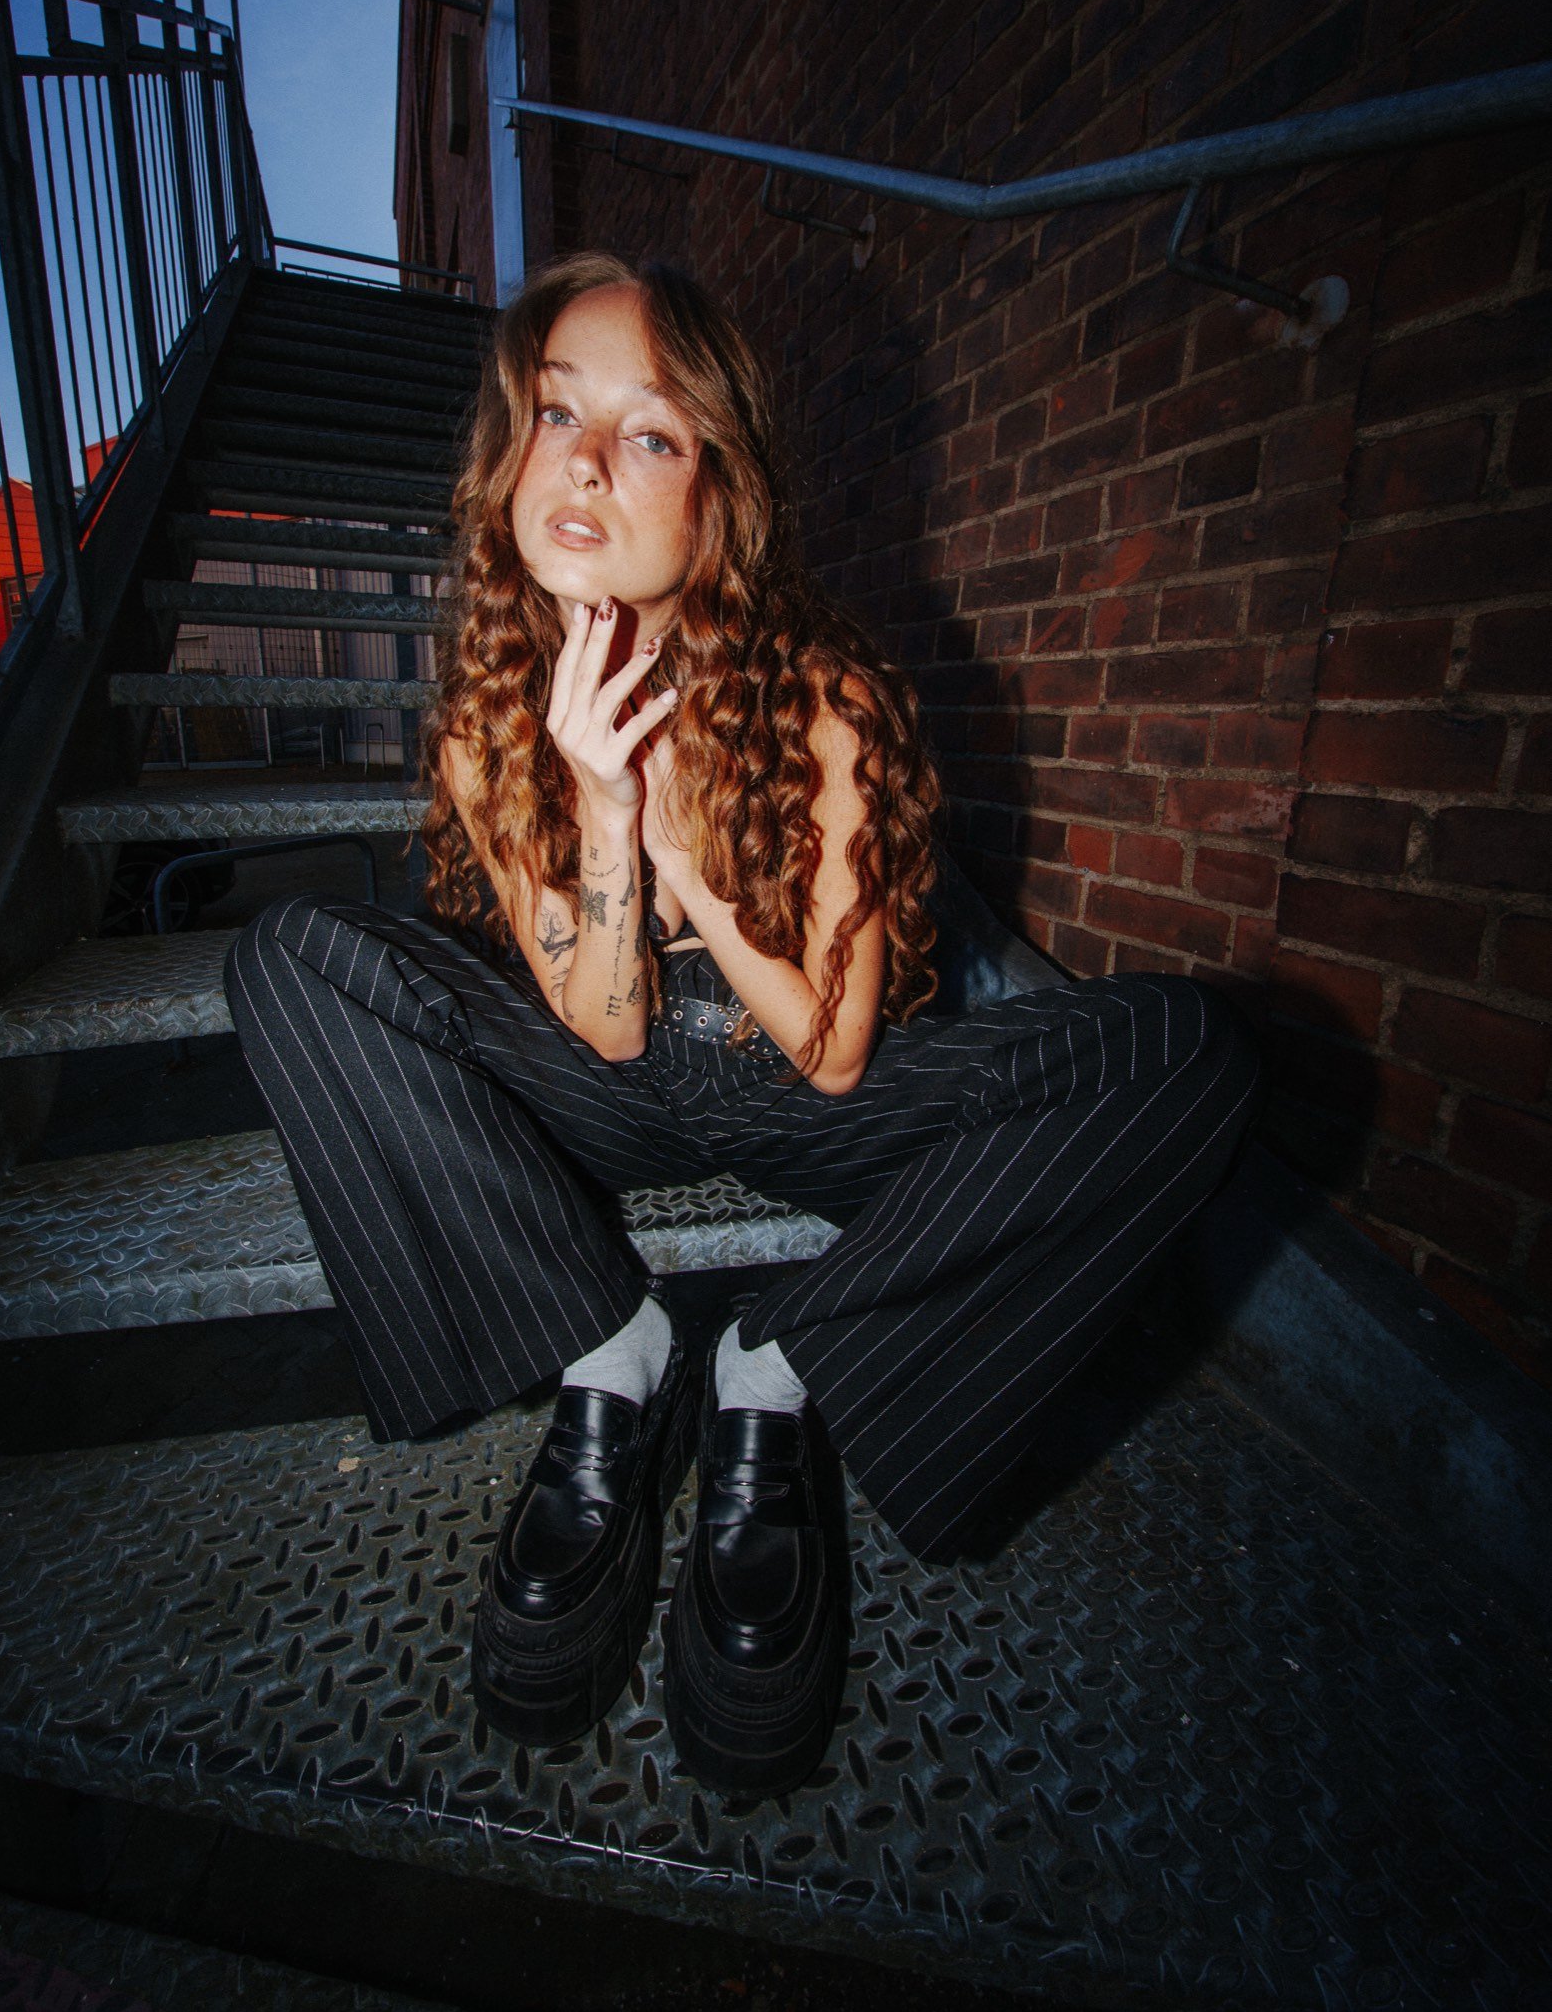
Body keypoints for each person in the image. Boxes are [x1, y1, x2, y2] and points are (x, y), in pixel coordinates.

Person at [225, 252, 1261, 1801]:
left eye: (646, 434)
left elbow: (833, 1052)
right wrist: (589, 800)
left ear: (714, 489)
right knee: (293, 954)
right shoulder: (486, 726)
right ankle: (610, 1343)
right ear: (507, 456)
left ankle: (782, 1369)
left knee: (1189, 1050)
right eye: (555, 413)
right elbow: (610, 1035)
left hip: (802, 1089)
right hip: (618, 1085)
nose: (582, 460)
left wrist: (680, 858)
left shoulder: (822, 692)